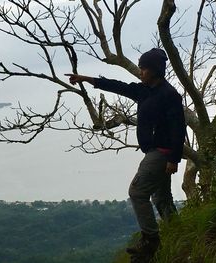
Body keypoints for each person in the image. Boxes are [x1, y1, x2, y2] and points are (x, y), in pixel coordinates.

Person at [65, 48, 186, 258]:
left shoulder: (169, 95)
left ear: (155, 70)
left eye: (144, 68)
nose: (141, 72)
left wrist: (174, 159)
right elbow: (118, 86)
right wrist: (87, 79)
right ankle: (181, 234)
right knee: (161, 198)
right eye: (140, 68)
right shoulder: (144, 90)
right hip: (155, 152)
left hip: (161, 153)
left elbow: (178, 128)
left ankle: (150, 240)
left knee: (137, 192)